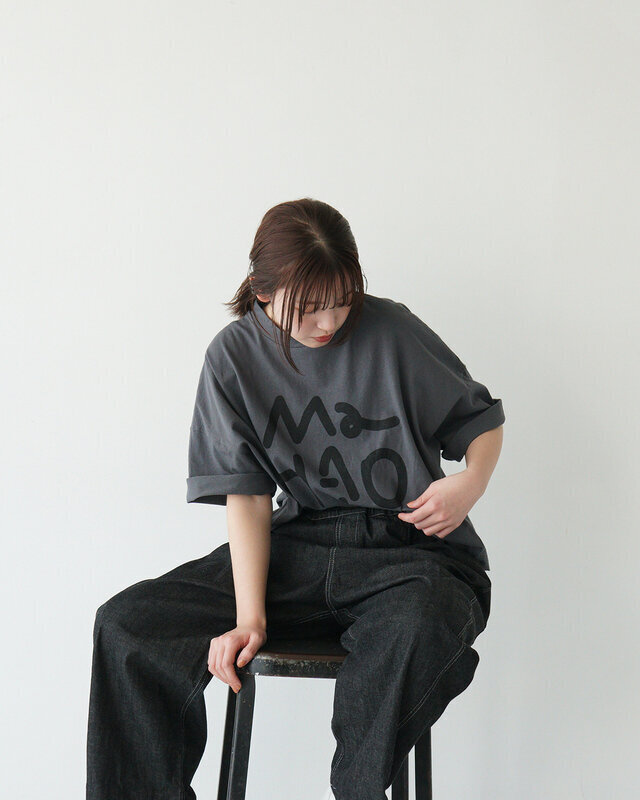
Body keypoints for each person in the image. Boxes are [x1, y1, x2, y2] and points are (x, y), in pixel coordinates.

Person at [86, 198, 505, 800]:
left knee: (414, 629)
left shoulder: (393, 331)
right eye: (308, 307)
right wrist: (250, 618)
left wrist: (471, 483)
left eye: (342, 299)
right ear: (262, 290)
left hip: (412, 554)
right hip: (298, 547)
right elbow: (248, 497)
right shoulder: (232, 358)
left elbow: (480, 421)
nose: (329, 321)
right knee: (128, 626)